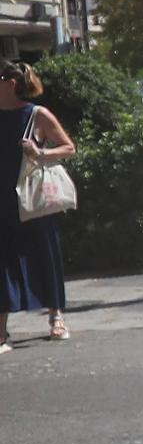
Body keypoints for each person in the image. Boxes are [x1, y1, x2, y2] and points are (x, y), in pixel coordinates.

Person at [0, 60, 76, 350]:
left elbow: (68, 147)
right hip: (2, 199)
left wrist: (40, 151)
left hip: (32, 198)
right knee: (3, 263)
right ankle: (2, 331)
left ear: (10, 84)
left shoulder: (36, 114)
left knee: (46, 255)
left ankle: (57, 316)